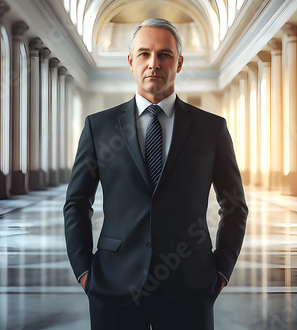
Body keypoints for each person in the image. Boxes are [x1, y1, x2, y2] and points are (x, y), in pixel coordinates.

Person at [64, 18, 248, 330]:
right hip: (113, 285)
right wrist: (84, 271)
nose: (154, 63)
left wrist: (221, 272)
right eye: (144, 54)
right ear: (131, 62)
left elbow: (234, 205)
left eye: (164, 54)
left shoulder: (210, 128)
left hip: (190, 285)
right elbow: (77, 203)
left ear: (179, 63)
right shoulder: (100, 127)